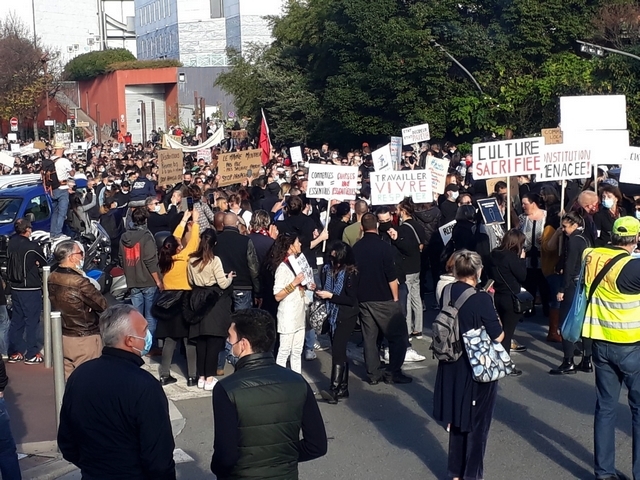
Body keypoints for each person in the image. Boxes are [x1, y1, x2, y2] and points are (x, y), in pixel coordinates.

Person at [58, 304, 176, 479]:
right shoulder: (145, 386)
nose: (148, 334)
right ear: (129, 340)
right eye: (144, 330)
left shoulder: (79, 376)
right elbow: (159, 458)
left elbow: (67, 443)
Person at [211, 309, 327, 478]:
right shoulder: (298, 382)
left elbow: (226, 456)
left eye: (230, 337)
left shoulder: (226, 389)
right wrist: (282, 458)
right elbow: (317, 445)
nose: (228, 341)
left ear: (243, 344)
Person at [433, 250, 505, 480]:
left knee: (456, 422)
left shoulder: (446, 291)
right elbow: (498, 335)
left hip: (449, 362)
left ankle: (455, 472)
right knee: (477, 426)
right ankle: (472, 474)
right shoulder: (481, 298)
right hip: (475, 365)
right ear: (478, 271)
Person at [580, 217, 640, 480]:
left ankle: (604, 473)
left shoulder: (591, 256)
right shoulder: (632, 268)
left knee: (605, 408)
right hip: (630, 346)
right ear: (636, 239)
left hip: (600, 343)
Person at [353, 213, 412, 384]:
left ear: (362, 227)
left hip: (364, 298)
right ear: (377, 226)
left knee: (369, 338)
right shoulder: (384, 247)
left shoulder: (356, 248)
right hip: (384, 298)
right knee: (399, 336)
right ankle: (393, 371)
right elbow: (391, 276)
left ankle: (373, 374)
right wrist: (395, 298)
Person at [48, 240, 108, 380]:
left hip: (63, 335)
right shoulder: (79, 282)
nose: (82, 257)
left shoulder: (52, 276)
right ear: (71, 257)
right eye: (80, 253)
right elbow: (102, 304)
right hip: (84, 337)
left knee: (68, 381)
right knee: (89, 381)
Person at [155, 210, 200, 386]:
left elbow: (173, 239)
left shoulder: (165, 260)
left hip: (167, 300)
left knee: (170, 339)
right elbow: (194, 241)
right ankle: (192, 375)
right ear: (178, 248)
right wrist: (194, 222)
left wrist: (183, 221)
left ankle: (164, 374)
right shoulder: (183, 258)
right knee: (189, 340)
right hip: (184, 299)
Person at [187, 229, 235, 390]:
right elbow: (222, 284)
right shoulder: (215, 261)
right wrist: (228, 278)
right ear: (214, 243)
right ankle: (209, 378)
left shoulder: (191, 260)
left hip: (197, 298)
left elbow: (191, 280)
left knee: (201, 341)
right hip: (214, 300)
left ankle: (201, 376)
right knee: (214, 341)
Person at [316, 241, 359, 404]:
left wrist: (331, 296)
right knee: (339, 351)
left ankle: (334, 389)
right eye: (332, 258)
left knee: (338, 351)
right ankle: (343, 388)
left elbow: (351, 299)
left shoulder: (351, 273)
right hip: (332, 312)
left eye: (337, 259)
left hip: (346, 315)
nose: (333, 262)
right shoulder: (327, 269)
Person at [550, 211, 593, 375]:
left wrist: (562, 288)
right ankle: (587, 360)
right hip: (583, 284)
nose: (563, 229)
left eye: (565, 226)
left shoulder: (573, 241)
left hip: (572, 284)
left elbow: (569, 266)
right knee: (584, 323)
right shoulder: (585, 238)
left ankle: (568, 361)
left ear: (574, 225)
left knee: (566, 322)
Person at [120, 207, 164, 350]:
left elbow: (121, 258)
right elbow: (150, 260)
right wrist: (158, 281)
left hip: (132, 280)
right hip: (148, 280)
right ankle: (148, 347)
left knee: (135, 316)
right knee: (150, 316)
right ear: (145, 220)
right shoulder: (146, 236)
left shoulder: (124, 237)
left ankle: (135, 345)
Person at [6, 218, 47, 364]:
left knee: (16, 320)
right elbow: (44, 262)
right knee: (32, 321)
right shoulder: (32, 246)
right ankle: (31, 353)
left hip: (15, 287)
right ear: (28, 229)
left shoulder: (11, 243)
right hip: (30, 287)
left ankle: (13, 352)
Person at [270, 234, 310, 374]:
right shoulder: (283, 267)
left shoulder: (297, 263)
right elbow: (277, 295)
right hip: (288, 314)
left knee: (297, 351)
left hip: (299, 312)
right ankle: (280, 381)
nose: (300, 245)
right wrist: (294, 283)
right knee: (284, 351)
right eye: (298, 242)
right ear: (290, 246)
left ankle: (297, 380)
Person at [489, 229, 527, 375]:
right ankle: (505, 365)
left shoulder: (494, 254)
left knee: (501, 330)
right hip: (511, 297)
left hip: (499, 295)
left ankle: (499, 361)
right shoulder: (511, 258)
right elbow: (522, 276)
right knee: (507, 333)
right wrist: (522, 259)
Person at [216, 213, 261, 310]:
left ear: (223, 224)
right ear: (237, 223)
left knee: (224, 322)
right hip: (242, 286)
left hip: (221, 285)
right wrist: (257, 290)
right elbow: (253, 268)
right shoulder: (245, 241)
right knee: (242, 322)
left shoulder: (215, 241)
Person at [519, 193, 550, 318]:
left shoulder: (546, 216)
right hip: (527, 256)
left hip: (542, 257)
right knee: (529, 284)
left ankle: (547, 308)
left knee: (544, 285)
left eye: (525, 203)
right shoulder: (523, 218)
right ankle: (529, 308)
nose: (523, 206)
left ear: (533, 203)